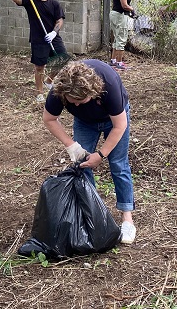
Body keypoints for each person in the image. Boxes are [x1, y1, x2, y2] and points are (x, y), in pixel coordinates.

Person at [42, 60, 136, 244]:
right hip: (85, 123)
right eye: (72, 102)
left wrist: (101, 155)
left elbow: (120, 125)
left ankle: (127, 218)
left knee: (118, 164)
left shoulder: (108, 85)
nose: (76, 105)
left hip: (113, 119)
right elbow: (49, 118)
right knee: (82, 164)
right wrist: (72, 146)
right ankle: (93, 214)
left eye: (80, 101)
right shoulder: (59, 90)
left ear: (92, 93)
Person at [12, 0, 67, 103]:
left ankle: (49, 81)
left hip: (53, 38)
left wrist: (54, 32)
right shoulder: (30, 0)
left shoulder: (54, 3)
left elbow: (60, 20)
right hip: (38, 39)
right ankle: (39, 93)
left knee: (63, 60)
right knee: (39, 67)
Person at [110, 0, 137, 70]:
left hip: (114, 14)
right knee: (121, 39)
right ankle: (119, 63)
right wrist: (132, 9)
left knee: (117, 38)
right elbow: (124, 5)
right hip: (120, 15)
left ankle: (113, 61)